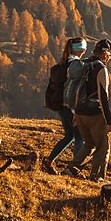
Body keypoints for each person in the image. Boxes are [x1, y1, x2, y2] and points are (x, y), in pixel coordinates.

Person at [43, 36, 88, 174]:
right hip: (70, 106)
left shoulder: (63, 64)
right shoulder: (76, 67)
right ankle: (73, 168)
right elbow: (73, 90)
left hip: (61, 105)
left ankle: (49, 161)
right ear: (82, 49)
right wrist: (75, 111)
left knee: (70, 136)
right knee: (79, 136)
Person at [72, 38, 111, 180]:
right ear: (105, 54)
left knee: (89, 144)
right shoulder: (101, 69)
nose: (110, 58)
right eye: (110, 55)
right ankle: (96, 177)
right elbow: (103, 97)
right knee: (103, 147)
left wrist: (75, 112)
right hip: (94, 114)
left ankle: (71, 169)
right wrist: (109, 121)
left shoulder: (84, 65)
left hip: (79, 112)